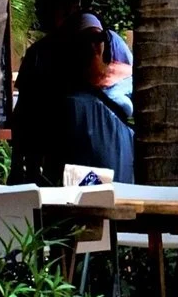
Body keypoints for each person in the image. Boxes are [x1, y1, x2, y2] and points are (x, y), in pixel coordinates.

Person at [44, 28, 134, 184]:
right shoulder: (75, 106)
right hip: (113, 191)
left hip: (96, 193)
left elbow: (58, 166)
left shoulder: (68, 105)